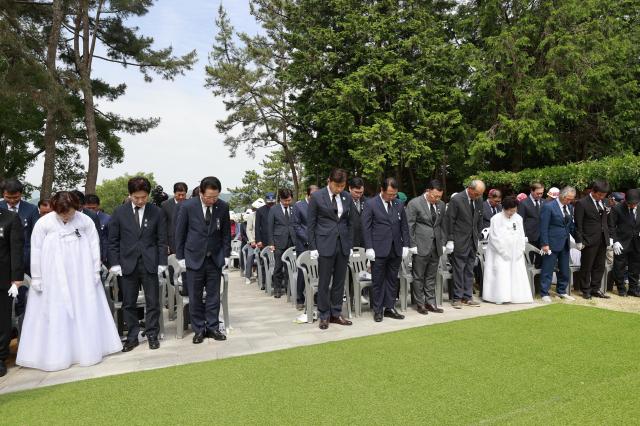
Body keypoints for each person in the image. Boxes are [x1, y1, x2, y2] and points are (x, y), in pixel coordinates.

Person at [16, 191, 121, 371]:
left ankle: (86, 349)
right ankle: (57, 354)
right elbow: (36, 250)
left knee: (83, 306)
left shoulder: (85, 221)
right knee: (56, 309)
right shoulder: (43, 223)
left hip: (81, 273)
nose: (67, 216)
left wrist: (95, 269)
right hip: (53, 274)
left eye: (70, 212)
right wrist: (37, 277)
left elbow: (94, 245)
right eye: (63, 213)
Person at [108, 176, 168, 352]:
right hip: (127, 264)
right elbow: (113, 240)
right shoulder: (119, 212)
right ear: (130, 194)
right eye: (136, 197)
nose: (140, 201)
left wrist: (162, 262)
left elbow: (161, 239)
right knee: (128, 302)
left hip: (150, 263)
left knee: (153, 301)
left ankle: (152, 334)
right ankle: (132, 336)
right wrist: (114, 263)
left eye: (144, 197)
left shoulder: (156, 212)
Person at [175, 176, 231, 344]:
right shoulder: (187, 206)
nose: (212, 200)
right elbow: (180, 233)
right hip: (193, 258)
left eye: (215, 197)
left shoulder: (223, 206)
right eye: (208, 197)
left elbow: (226, 233)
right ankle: (199, 329)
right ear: (201, 192)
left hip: (214, 258)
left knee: (214, 295)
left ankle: (213, 327)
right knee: (195, 296)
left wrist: (226, 254)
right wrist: (180, 257)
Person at [307, 168, 353, 330]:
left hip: (343, 244)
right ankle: (324, 315)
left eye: (342, 186)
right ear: (329, 181)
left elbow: (350, 221)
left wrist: (350, 243)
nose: (339, 189)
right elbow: (311, 224)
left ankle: (336, 313)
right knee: (324, 282)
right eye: (336, 186)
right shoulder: (317, 196)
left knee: (340, 281)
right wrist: (312, 246)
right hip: (324, 244)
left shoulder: (347, 197)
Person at [363, 178, 410, 322]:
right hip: (378, 249)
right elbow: (366, 227)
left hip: (395, 248)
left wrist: (406, 245)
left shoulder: (398, 203)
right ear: (382, 190)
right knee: (378, 280)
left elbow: (404, 226)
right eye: (389, 194)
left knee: (392, 280)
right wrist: (369, 247)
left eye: (394, 194)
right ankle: (378, 309)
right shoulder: (370, 204)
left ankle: (389, 307)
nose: (392, 197)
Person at [482, 196, 533, 304]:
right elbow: (495, 238)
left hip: (516, 252)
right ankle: (501, 296)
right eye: (510, 211)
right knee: (502, 273)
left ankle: (517, 296)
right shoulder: (496, 219)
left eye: (514, 210)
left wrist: (521, 249)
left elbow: (521, 234)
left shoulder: (518, 218)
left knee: (516, 273)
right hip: (500, 252)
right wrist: (503, 252)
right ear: (504, 208)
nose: (512, 213)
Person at [0, 179, 39, 319]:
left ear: (21, 194)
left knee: (22, 297)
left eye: (15, 197)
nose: (11, 201)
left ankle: (22, 325)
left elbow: (36, 236)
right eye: (8, 197)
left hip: (25, 260)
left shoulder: (31, 209)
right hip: (3, 262)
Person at [406, 179, 445, 315]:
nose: (437, 199)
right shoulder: (414, 203)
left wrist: (443, 242)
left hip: (435, 245)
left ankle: (431, 302)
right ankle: (420, 303)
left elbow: (441, 225)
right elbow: (409, 225)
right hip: (420, 245)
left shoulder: (441, 205)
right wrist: (412, 244)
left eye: (440, 196)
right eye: (435, 196)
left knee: (431, 276)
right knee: (419, 276)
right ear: (428, 191)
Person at [444, 180, 485, 308]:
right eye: (477, 193)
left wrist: (477, 235)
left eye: (480, 194)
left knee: (469, 269)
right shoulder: (457, 199)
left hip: (472, 240)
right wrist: (450, 239)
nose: (478, 196)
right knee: (459, 269)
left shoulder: (478, 200)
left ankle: (467, 297)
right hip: (459, 239)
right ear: (470, 189)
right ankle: (457, 297)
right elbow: (449, 220)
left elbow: (480, 219)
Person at [539, 186, 578, 303]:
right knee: (548, 268)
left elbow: (570, 225)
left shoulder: (569, 207)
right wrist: (545, 243)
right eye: (568, 199)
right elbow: (543, 227)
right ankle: (544, 292)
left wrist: (579, 239)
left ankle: (562, 290)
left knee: (564, 268)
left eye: (571, 199)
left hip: (565, 242)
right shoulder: (548, 206)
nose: (570, 201)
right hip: (551, 242)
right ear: (562, 196)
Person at [574, 180, 611, 299]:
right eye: (599, 195)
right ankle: (585, 289)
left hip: (602, 238)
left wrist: (609, 236)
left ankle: (595, 288)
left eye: (604, 195)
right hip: (588, 239)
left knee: (600, 265)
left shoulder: (604, 202)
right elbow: (578, 224)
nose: (601, 197)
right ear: (593, 191)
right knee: (587, 266)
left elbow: (605, 221)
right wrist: (579, 240)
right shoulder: (582, 203)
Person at [0, 207, 24, 377]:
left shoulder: (10, 218)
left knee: (2, 319)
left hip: (3, 278)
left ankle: (1, 357)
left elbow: (16, 250)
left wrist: (16, 278)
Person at [609, 189, 640, 297]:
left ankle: (633, 288)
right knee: (619, 266)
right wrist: (615, 241)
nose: (632, 206)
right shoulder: (617, 208)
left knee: (635, 267)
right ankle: (621, 288)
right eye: (629, 204)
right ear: (625, 201)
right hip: (621, 242)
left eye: (634, 204)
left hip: (637, 243)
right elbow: (611, 226)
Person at [267, 188, 297, 298]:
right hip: (279, 242)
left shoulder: (294, 208)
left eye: (289, 200)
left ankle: (290, 288)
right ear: (280, 199)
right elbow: (270, 227)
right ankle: (277, 289)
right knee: (278, 267)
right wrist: (271, 243)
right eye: (285, 201)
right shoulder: (274, 209)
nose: (287, 203)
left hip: (292, 241)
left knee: (291, 266)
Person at [292, 185, 318, 309]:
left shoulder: (319, 205)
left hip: (318, 244)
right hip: (304, 244)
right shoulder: (299, 206)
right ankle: (299, 299)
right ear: (308, 195)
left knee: (318, 271)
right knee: (303, 271)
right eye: (313, 195)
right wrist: (308, 240)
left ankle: (317, 297)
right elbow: (296, 226)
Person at [254, 192, 276, 289]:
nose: (271, 204)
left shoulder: (277, 209)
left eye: (272, 202)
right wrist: (258, 240)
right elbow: (257, 227)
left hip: (276, 239)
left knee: (277, 263)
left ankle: (276, 282)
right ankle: (264, 282)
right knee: (265, 262)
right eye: (269, 202)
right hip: (264, 240)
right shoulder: (260, 211)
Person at [161, 182, 188, 255]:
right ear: (174, 193)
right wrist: (165, 244)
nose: (181, 197)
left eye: (183, 195)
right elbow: (163, 226)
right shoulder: (165, 205)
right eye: (179, 195)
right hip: (171, 242)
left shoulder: (190, 204)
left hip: (187, 243)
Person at [85, 194, 111, 265]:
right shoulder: (81, 219)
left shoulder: (107, 219)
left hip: (103, 257)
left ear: (98, 206)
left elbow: (110, 240)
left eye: (93, 208)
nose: (91, 210)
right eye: (88, 208)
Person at [244, 198, 264, 284]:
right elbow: (249, 229)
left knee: (262, 259)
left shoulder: (265, 215)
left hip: (263, 241)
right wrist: (252, 241)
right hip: (253, 241)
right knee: (250, 258)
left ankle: (262, 277)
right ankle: (248, 276)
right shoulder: (251, 216)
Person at [348, 177, 366, 248]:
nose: (358, 195)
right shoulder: (343, 202)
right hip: (349, 242)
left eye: (361, 192)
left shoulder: (368, 202)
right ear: (350, 188)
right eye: (356, 192)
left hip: (364, 243)